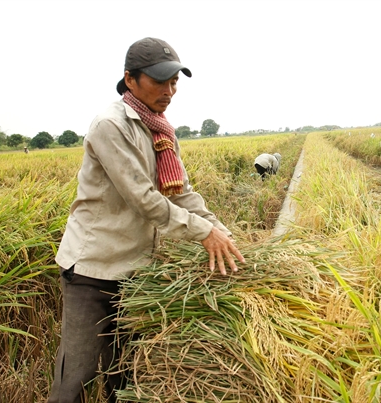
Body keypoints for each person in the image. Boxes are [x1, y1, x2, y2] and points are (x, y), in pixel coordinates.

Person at [47, 37, 245, 403]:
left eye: (174, 82)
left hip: (135, 271)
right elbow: (144, 200)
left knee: (124, 369)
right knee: (75, 371)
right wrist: (204, 234)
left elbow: (180, 192)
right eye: (159, 81)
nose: (169, 91)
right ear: (130, 79)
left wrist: (220, 232)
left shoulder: (161, 131)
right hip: (94, 269)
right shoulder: (111, 125)